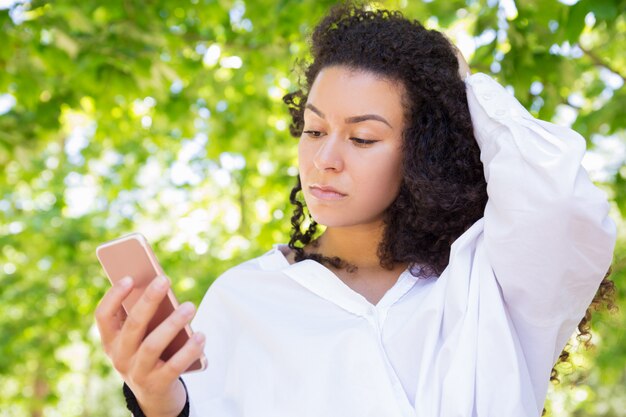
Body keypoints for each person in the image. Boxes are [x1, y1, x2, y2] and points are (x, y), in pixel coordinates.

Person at [94, 2, 617, 417]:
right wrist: (159, 403)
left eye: (363, 138)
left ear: (423, 152)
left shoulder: (489, 284)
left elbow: (561, 200)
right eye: (315, 130)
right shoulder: (245, 297)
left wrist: (465, 90)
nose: (324, 159)